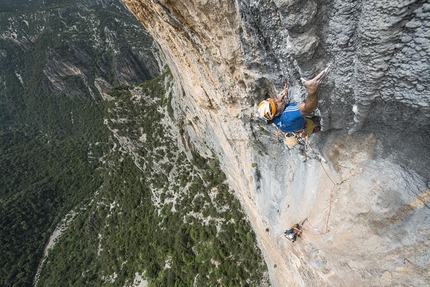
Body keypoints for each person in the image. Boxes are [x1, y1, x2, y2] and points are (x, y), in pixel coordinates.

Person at [257, 67, 330, 137]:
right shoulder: (289, 115)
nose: (278, 100)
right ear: (277, 114)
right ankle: (313, 129)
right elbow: (309, 108)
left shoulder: (273, 119)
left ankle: (307, 129)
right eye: (276, 104)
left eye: (274, 100)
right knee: (310, 125)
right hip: (304, 125)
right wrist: (312, 91)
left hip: (295, 128)